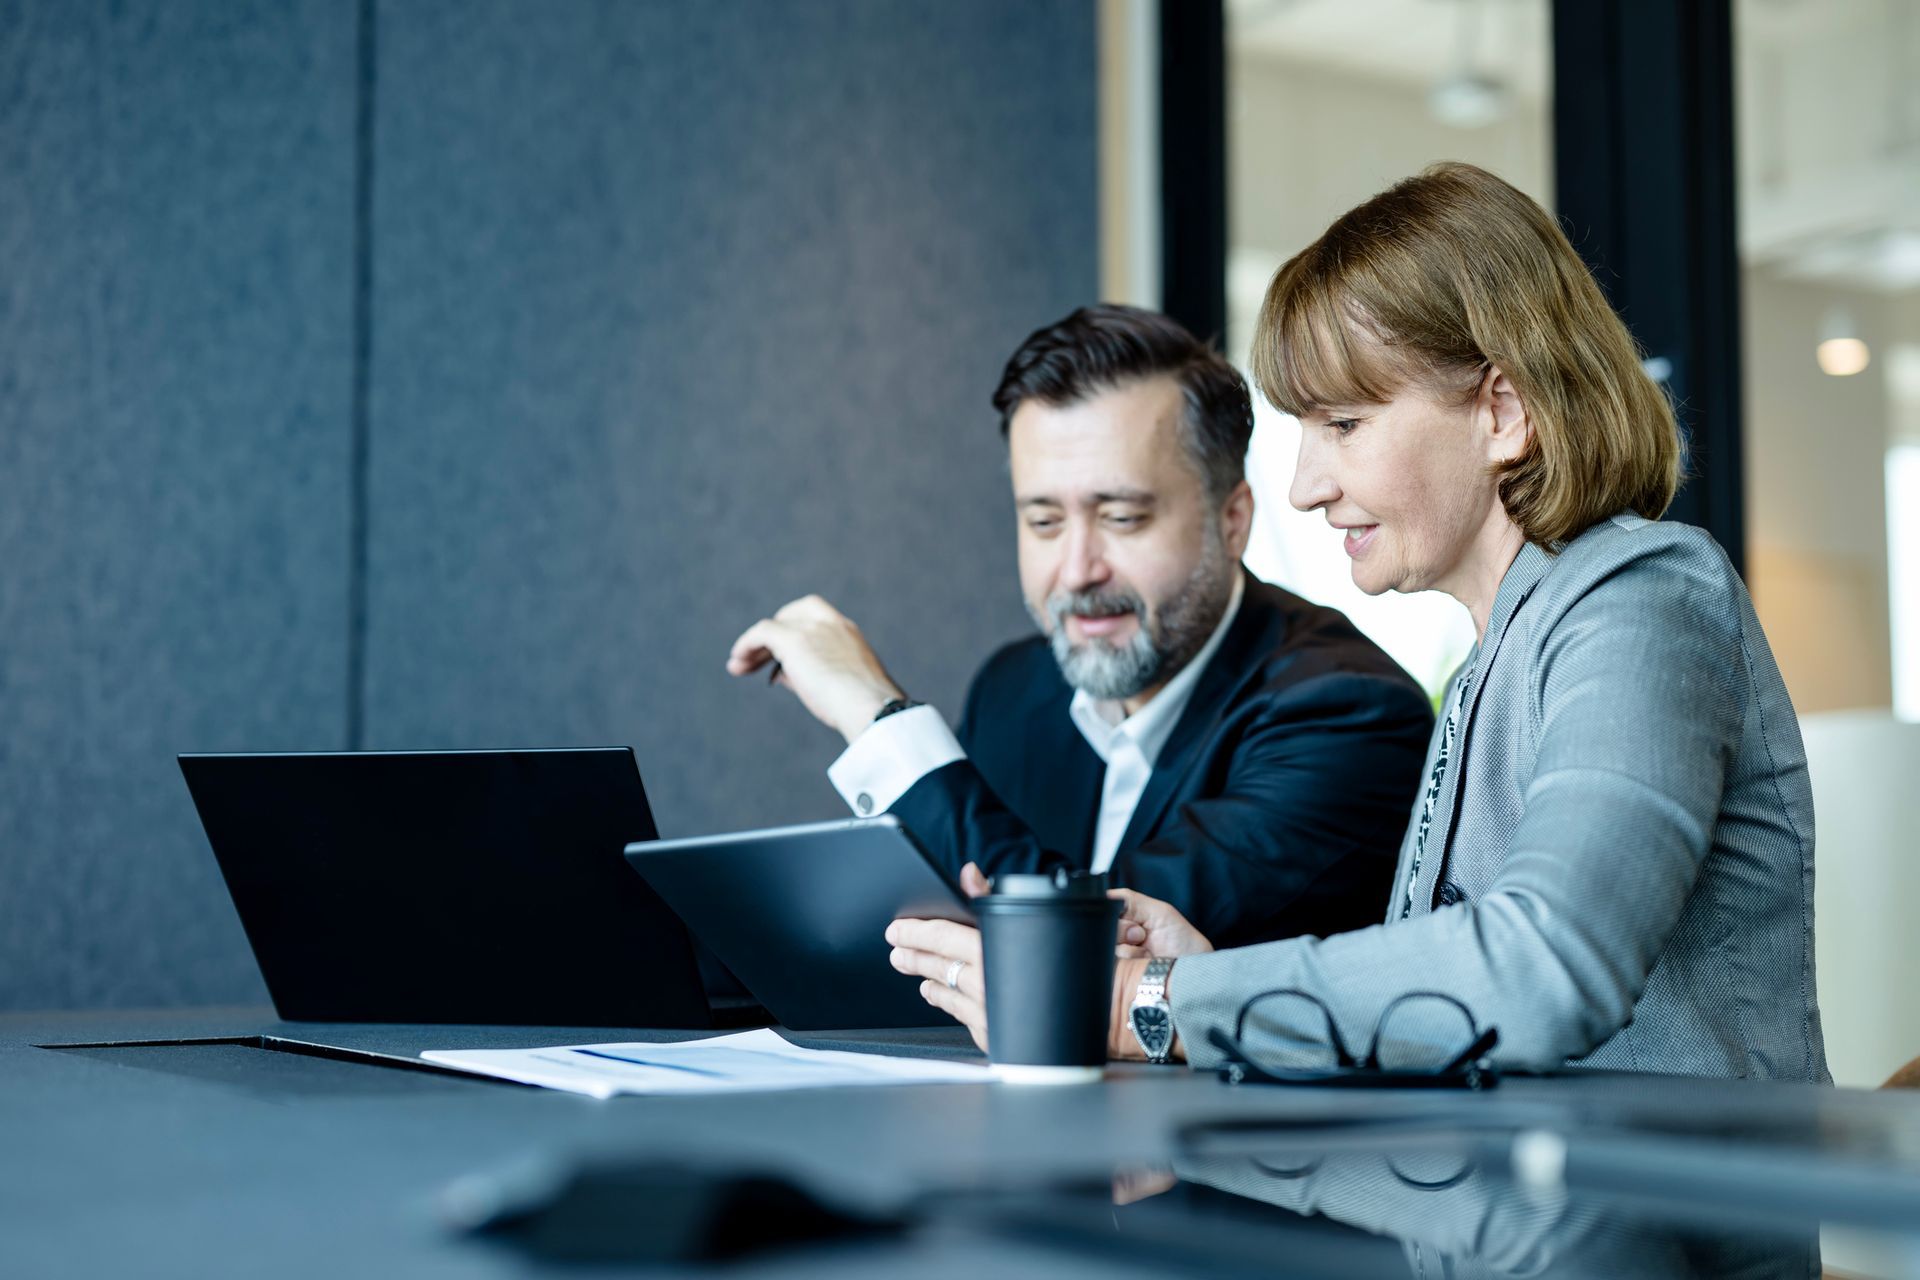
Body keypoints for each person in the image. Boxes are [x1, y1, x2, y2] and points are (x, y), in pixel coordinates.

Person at [888, 163, 1830, 1082]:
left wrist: (1161, 1001)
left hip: (1663, 1229)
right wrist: (1194, 977)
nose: (1304, 487)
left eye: (1341, 425)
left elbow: (1541, 972)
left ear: (1502, 411)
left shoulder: (1644, 594)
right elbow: (1442, 1008)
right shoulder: (1493, 658)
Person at [728, 305, 1433, 948]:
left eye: (1122, 518)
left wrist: (882, 725)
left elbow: (1085, 948)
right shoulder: (1013, 691)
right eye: (1042, 521)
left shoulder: (1347, 716)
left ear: (1232, 520)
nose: (1075, 571)